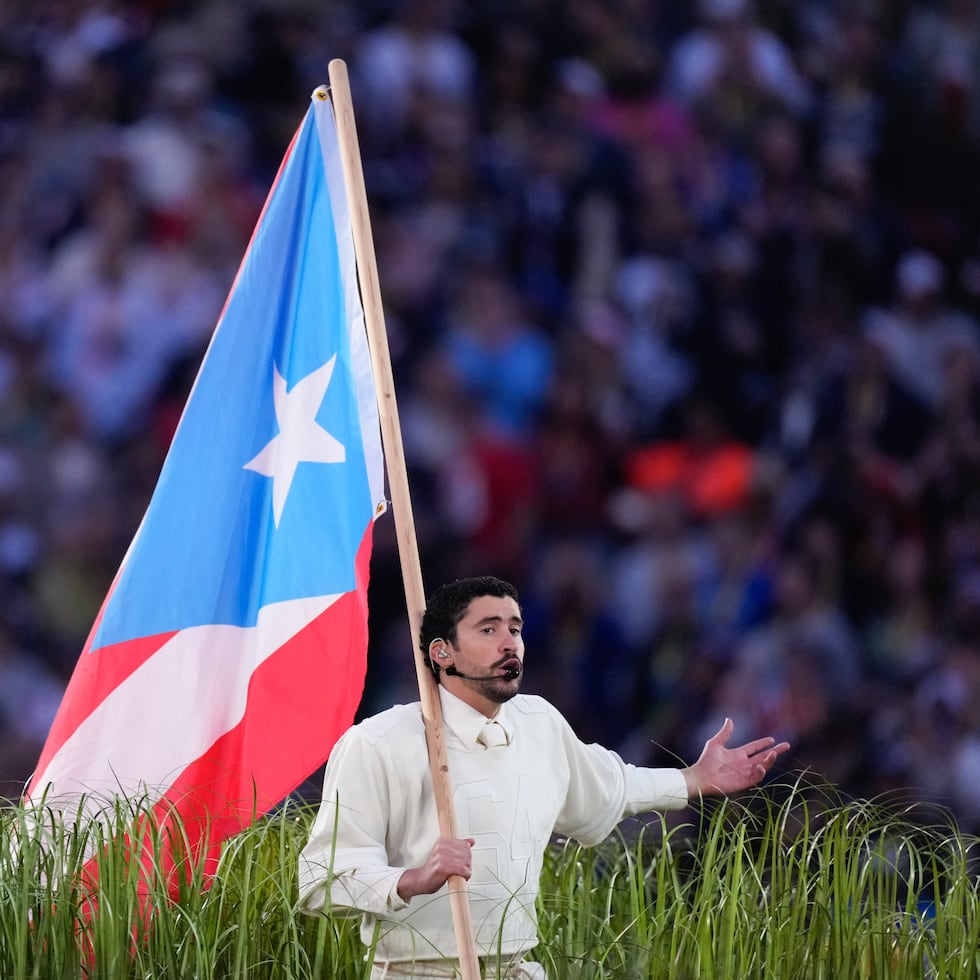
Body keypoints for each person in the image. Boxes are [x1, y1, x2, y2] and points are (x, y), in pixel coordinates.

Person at [298, 575, 790, 978]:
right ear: (442, 652)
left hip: (517, 969)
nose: (509, 642)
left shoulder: (540, 722)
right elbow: (319, 879)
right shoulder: (376, 742)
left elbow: (609, 785)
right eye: (488, 630)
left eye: (515, 628)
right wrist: (413, 878)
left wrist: (692, 779)